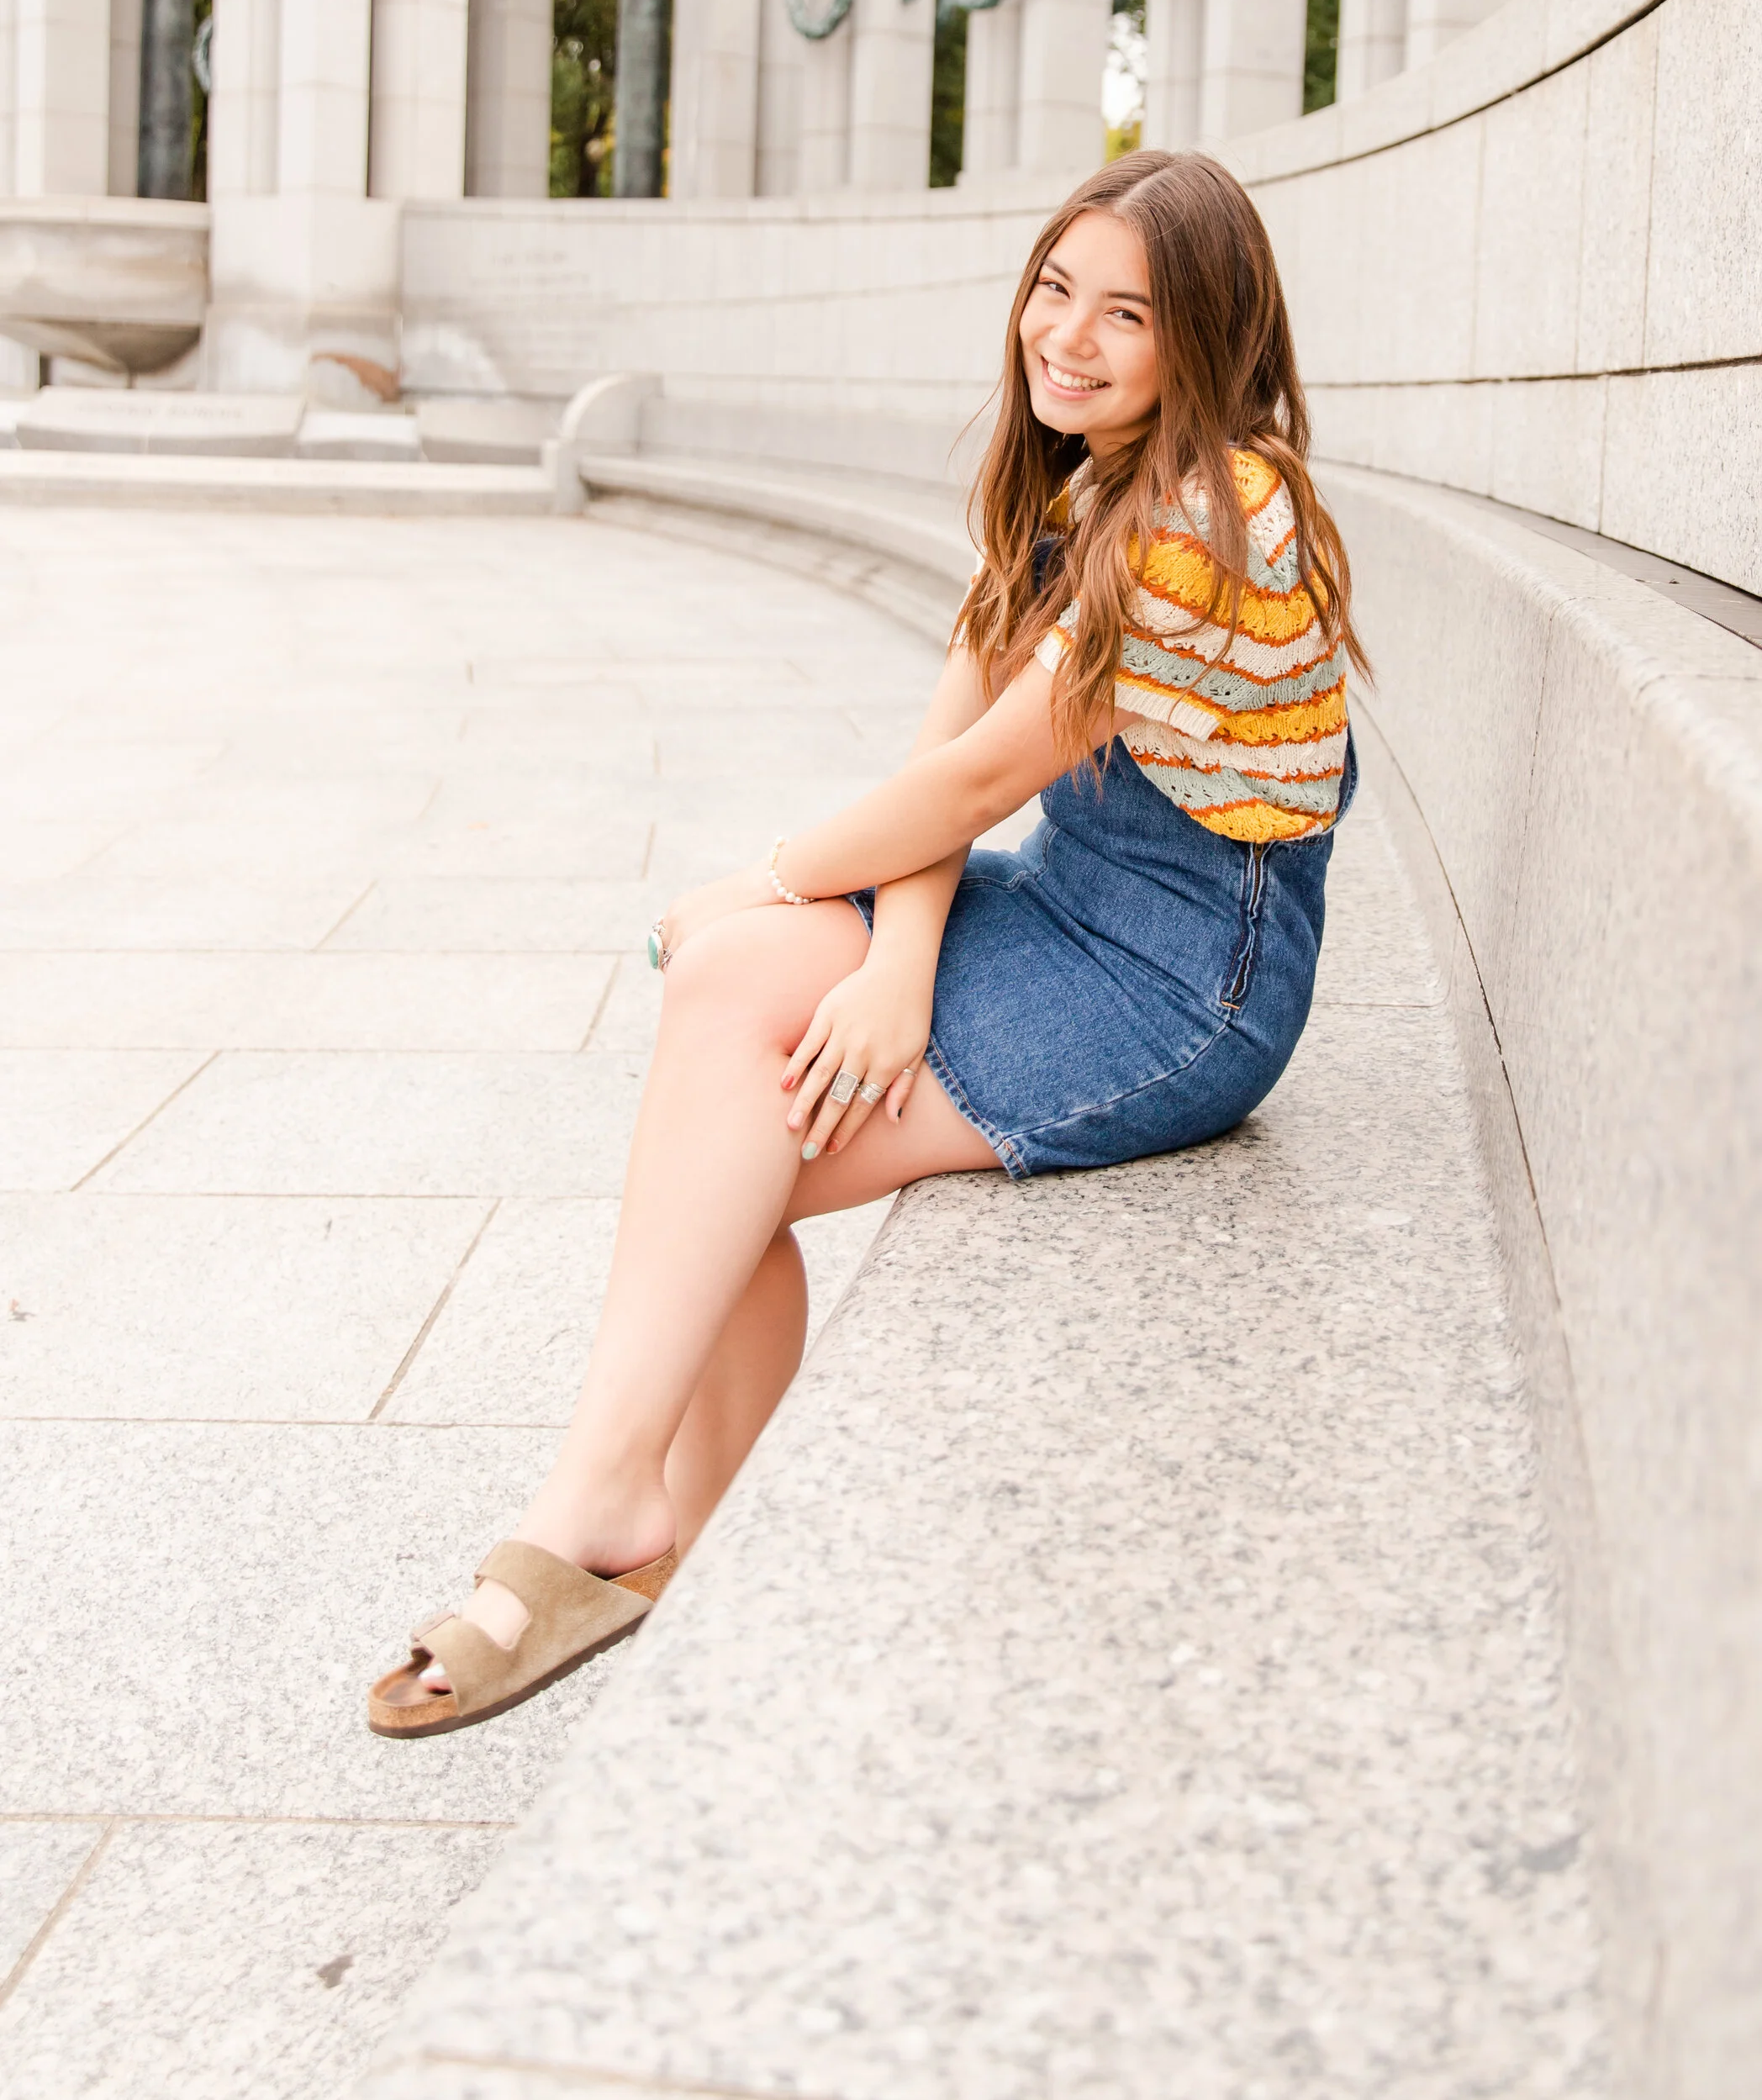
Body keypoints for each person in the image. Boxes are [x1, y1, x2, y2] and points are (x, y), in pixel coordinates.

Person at [367, 148, 1361, 1737]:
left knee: (736, 1108)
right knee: (731, 1010)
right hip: (1068, 892)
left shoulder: (1217, 511)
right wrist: (892, 960)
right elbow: (948, 736)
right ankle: (640, 1521)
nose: (1070, 339)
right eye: (1056, 289)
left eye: (1130, 315)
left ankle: (605, 1524)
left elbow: (976, 781)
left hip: (1186, 981)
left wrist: (759, 876)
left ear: (1213, 343)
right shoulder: (1082, 468)